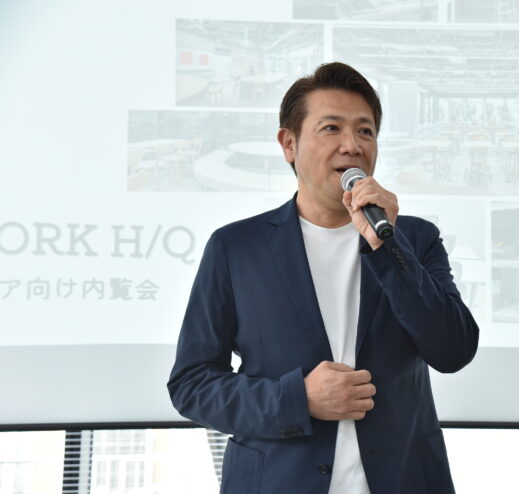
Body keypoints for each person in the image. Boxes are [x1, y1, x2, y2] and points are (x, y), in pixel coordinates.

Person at [167, 62, 479, 494]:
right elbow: (192, 385)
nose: (352, 145)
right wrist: (298, 400)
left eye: (365, 131)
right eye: (331, 128)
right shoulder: (236, 247)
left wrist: (389, 248)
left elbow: (454, 350)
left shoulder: (414, 239)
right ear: (289, 144)